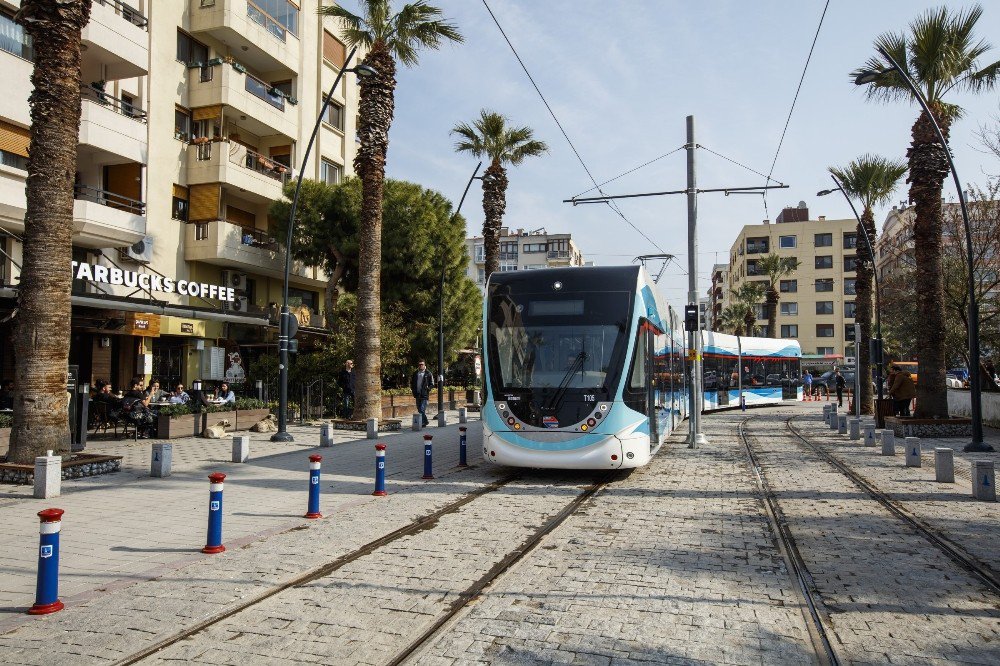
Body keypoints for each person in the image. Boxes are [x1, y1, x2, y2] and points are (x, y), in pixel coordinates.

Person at [411, 360, 435, 427]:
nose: (420, 365)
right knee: (419, 409)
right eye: (419, 364)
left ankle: (422, 422)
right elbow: (412, 382)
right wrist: (413, 390)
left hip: (424, 394)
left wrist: (428, 388)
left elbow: (432, 384)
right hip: (417, 394)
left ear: (424, 365)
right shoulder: (415, 373)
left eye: (422, 364)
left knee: (422, 409)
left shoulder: (428, 373)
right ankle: (425, 421)